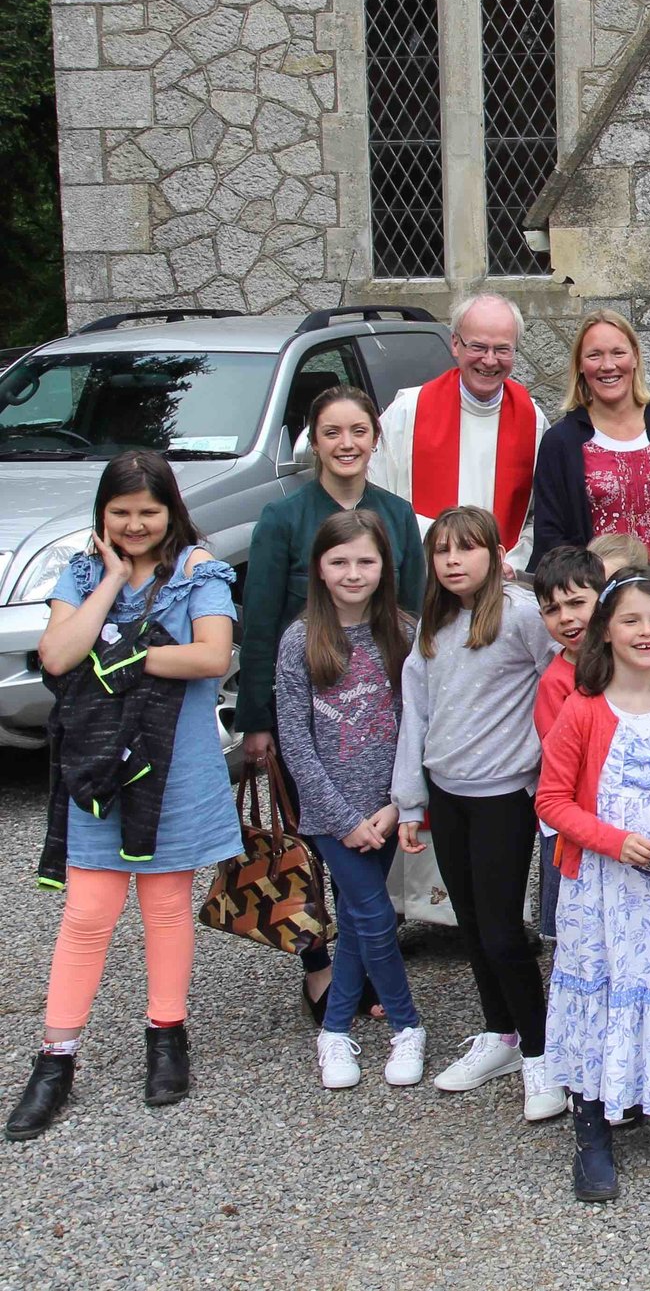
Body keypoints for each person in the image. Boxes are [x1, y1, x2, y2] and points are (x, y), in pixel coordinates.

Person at [6, 453, 241, 1139]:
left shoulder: (200, 570)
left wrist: (118, 656)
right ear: (103, 516)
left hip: (173, 767)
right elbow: (56, 654)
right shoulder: (81, 573)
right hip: (98, 766)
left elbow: (211, 655)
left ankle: (167, 1033)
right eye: (121, 512)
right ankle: (56, 1056)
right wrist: (110, 582)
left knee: (166, 903)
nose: (135, 524)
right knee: (87, 910)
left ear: (171, 511)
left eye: (148, 511)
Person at [236, 383, 424, 1012]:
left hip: (380, 711)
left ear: (376, 439)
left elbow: (418, 617)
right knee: (321, 841)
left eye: (358, 432)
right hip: (308, 714)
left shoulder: (397, 516)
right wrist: (256, 721)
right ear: (312, 442)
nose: (347, 444)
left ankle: (359, 972)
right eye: (332, 433)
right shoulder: (282, 519)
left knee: (366, 852)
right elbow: (260, 622)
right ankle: (322, 965)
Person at [537, 571, 650, 1194]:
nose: (647, 632)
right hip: (596, 885)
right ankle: (592, 1129)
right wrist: (615, 842)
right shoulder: (583, 710)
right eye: (632, 620)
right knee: (604, 987)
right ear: (606, 631)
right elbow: (552, 800)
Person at [391, 506, 561, 1121]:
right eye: (443, 551)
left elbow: (560, 687)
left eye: (467, 548)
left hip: (503, 795)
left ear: (494, 553)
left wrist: (549, 777)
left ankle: (543, 1055)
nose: (454, 561)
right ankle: (501, 1035)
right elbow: (416, 711)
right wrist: (409, 799)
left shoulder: (519, 615)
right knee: (469, 925)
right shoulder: (431, 624)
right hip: (447, 794)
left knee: (502, 930)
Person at [275, 510, 427, 1092]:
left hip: (387, 809)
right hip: (330, 815)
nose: (353, 572)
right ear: (319, 567)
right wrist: (342, 820)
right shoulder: (300, 640)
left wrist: (397, 804)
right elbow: (296, 739)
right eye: (339, 561)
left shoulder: (405, 632)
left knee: (364, 922)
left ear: (385, 565)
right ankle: (402, 1025)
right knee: (371, 913)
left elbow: (416, 727)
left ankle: (336, 1029)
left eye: (366, 560)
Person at [373, 293, 548, 575]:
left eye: (502, 349)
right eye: (478, 347)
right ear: (455, 343)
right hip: (424, 578)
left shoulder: (533, 420)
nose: (489, 361)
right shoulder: (409, 411)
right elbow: (378, 497)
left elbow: (540, 515)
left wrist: (509, 563)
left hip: (499, 583)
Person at [531, 308, 650, 567]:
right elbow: (550, 535)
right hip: (595, 594)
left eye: (618, 353)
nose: (607, 365)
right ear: (580, 364)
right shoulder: (561, 443)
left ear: (635, 357)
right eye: (594, 355)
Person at [532, 545, 609, 945]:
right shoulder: (555, 682)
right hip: (575, 820)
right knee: (576, 931)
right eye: (552, 609)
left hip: (624, 815)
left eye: (577, 602)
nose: (566, 618)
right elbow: (562, 764)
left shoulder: (626, 660)